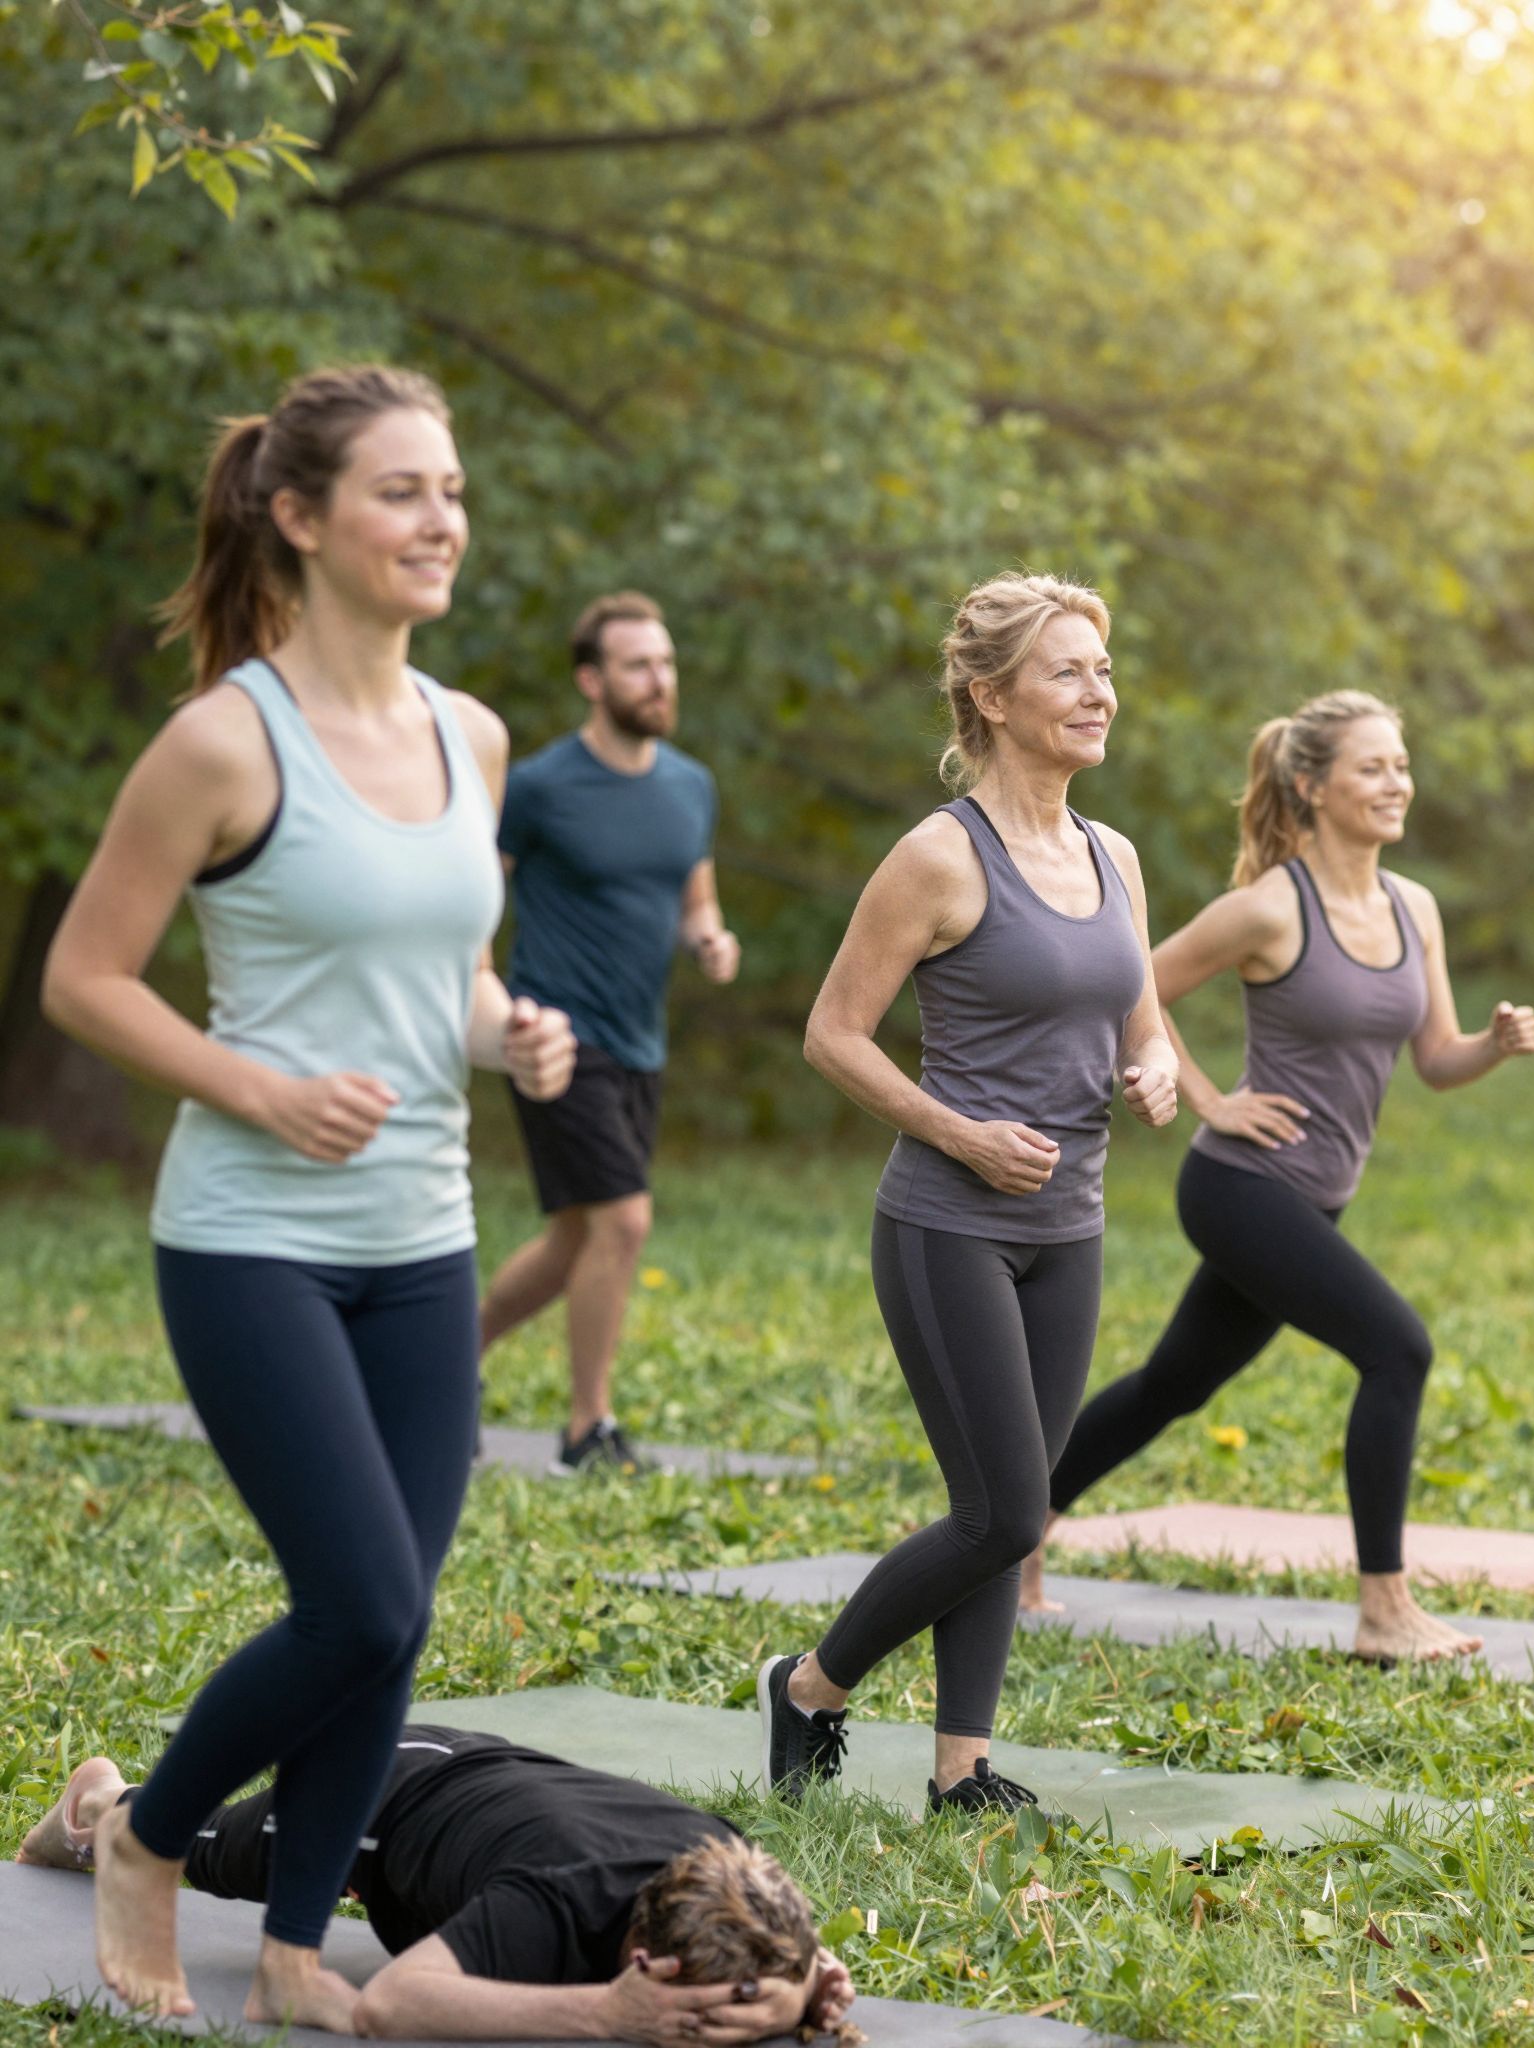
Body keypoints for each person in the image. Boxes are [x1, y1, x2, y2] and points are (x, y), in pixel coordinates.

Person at [39, 365, 577, 2027]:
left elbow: (452, 973)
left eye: (455, 491)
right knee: (366, 1592)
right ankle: (142, 1833)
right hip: (251, 1238)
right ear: (300, 516)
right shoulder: (221, 740)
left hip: (421, 1239)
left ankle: (286, 1943)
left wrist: (515, 1031)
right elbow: (84, 977)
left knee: (385, 1626)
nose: (442, 522)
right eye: (402, 491)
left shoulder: (472, 734)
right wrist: (260, 1083)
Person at [757, 572, 1178, 1812]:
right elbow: (834, 1034)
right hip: (950, 1223)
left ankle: (963, 1768)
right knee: (1003, 1507)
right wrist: (963, 1134)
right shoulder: (939, 856)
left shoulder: (1116, 855)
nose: (1098, 690)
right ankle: (809, 1688)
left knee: (1012, 1510)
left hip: (1072, 1226)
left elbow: (1145, 1021)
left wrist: (1154, 1068)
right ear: (992, 696)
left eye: (1104, 669)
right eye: (1068, 670)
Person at [1020, 691, 1534, 1661]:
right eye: (1373, 767)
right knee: (1399, 1350)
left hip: (1317, 1196)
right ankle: (1385, 1610)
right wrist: (1210, 1099)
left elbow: (1435, 1057)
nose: (1398, 783)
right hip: (1240, 1188)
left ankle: (1018, 1534)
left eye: (1402, 764)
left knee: (1174, 1383)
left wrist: (1494, 1046)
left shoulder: (1411, 905)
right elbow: (1132, 983)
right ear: (1313, 784)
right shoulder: (1268, 906)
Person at [17, 1726, 854, 2044]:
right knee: (179, 1847)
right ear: (643, 1962)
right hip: (385, 1790)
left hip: (498, 1797)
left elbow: (789, 1946)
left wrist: (804, 1984)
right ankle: (93, 1804)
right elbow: (387, 2004)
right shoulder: (553, 1905)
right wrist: (602, 2015)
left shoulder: (736, 1864)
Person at [479, 591, 741, 1477]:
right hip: (554, 1031)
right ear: (592, 680)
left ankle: (444, 1365)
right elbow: (474, 896)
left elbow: (693, 900)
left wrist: (709, 938)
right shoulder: (540, 787)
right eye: (637, 664)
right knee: (622, 1222)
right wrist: (482, 998)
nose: (658, 678)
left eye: (665, 662)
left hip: (641, 1041)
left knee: (573, 1241)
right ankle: (587, 1428)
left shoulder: (690, 785)